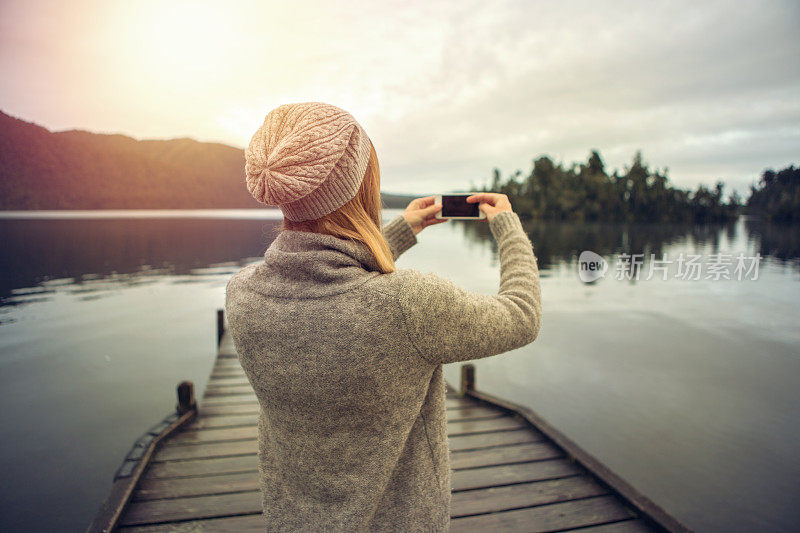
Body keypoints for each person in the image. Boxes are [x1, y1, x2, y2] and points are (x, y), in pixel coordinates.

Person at [225, 102, 542, 532]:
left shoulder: (243, 295)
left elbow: (328, 281)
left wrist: (400, 230)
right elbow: (521, 314)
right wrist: (507, 226)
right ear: (361, 187)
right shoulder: (409, 305)